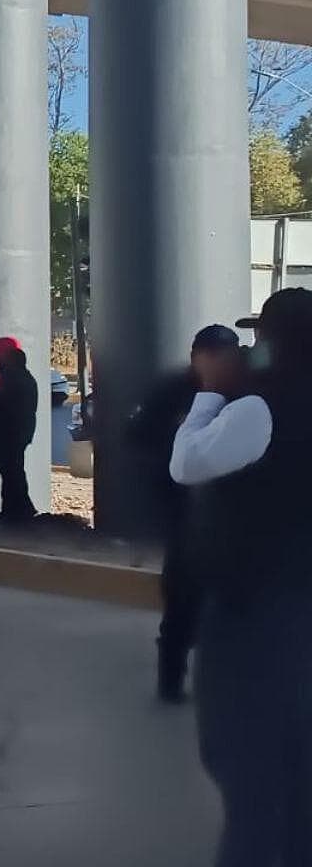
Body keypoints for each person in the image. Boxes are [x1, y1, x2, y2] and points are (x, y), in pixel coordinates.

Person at [169, 288, 312, 867]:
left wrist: (210, 394)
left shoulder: (259, 409)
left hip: (255, 613)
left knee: (249, 772)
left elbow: (187, 462)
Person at [128, 325, 233, 703]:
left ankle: (223, 681)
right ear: (197, 356)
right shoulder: (171, 391)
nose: (221, 363)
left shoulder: (240, 392)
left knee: (226, 601)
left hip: (227, 514)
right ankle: (171, 678)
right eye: (214, 355)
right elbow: (137, 437)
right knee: (182, 598)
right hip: (183, 509)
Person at [0, 336, 40, 523]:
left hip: (9, 433)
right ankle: (16, 508)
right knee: (11, 470)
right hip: (15, 432)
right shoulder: (16, 374)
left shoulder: (10, 377)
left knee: (11, 470)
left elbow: (1, 405)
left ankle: (19, 510)